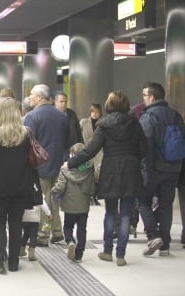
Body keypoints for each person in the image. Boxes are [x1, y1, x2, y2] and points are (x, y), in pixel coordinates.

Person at [64, 90, 147, 266]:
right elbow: (144, 149)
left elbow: (91, 149)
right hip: (131, 170)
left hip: (110, 170)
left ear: (109, 105)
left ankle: (107, 250)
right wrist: (133, 158)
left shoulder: (104, 124)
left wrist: (72, 163)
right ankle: (121, 255)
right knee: (125, 213)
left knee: (110, 212)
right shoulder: (134, 123)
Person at [0, 97, 38, 273]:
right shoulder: (26, 133)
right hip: (20, 186)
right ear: (18, 112)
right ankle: (13, 263)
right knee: (15, 223)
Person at [138, 82, 185, 256]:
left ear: (152, 97)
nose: (143, 98)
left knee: (142, 201)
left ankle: (153, 235)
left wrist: (145, 167)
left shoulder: (148, 116)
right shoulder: (175, 116)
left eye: (144, 95)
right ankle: (165, 246)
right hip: (174, 168)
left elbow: (145, 144)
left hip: (153, 169)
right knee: (166, 205)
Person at [23, 84, 68, 247]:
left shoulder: (32, 117)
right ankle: (57, 232)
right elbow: (66, 141)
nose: (30, 97)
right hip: (58, 164)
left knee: (43, 201)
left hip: (39, 166)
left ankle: (43, 234)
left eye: (32, 94)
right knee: (55, 200)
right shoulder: (62, 116)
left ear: (40, 97)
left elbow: (28, 143)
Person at [52, 142, 96, 263]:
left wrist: (53, 191)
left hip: (69, 206)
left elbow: (60, 187)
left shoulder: (65, 170)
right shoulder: (88, 171)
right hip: (83, 206)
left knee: (68, 227)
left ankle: (70, 241)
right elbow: (92, 189)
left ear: (72, 154)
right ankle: (79, 254)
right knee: (82, 229)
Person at [79, 103, 103, 204]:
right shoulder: (83, 122)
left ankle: (95, 196)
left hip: (99, 152)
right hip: (86, 151)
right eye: (93, 111)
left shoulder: (103, 123)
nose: (94, 114)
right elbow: (78, 135)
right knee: (85, 173)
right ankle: (87, 196)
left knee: (97, 174)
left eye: (97, 112)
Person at [20, 198, 51, 263]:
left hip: (24, 217)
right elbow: (43, 204)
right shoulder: (38, 191)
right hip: (35, 218)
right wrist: (48, 213)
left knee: (26, 234)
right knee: (33, 235)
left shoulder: (23, 189)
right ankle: (31, 253)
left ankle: (21, 250)